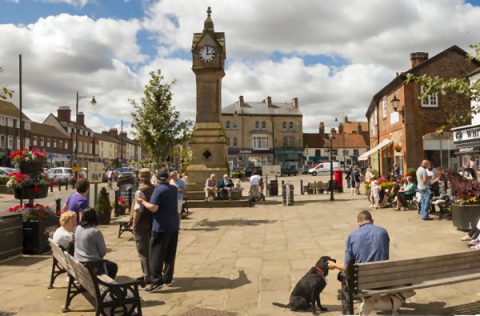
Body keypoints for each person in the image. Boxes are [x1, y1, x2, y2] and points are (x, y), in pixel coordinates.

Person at [137, 170, 180, 293]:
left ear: (157, 179)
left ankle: (156, 281)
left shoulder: (159, 190)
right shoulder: (173, 189)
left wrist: (143, 202)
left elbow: (154, 208)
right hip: (173, 226)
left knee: (156, 255)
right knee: (170, 254)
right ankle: (168, 278)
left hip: (161, 227)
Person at [74, 209, 118, 279]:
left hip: (79, 262)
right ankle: (107, 287)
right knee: (113, 266)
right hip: (92, 266)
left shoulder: (77, 228)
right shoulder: (95, 232)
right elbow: (103, 252)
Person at [131, 168, 155, 285]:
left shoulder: (140, 191)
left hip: (142, 224)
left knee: (143, 251)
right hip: (152, 223)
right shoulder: (154, 188)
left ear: (140, 177)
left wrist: (134, 224)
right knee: (151, 250)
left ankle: (147, 276)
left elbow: (138, 210)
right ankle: (151, 272)